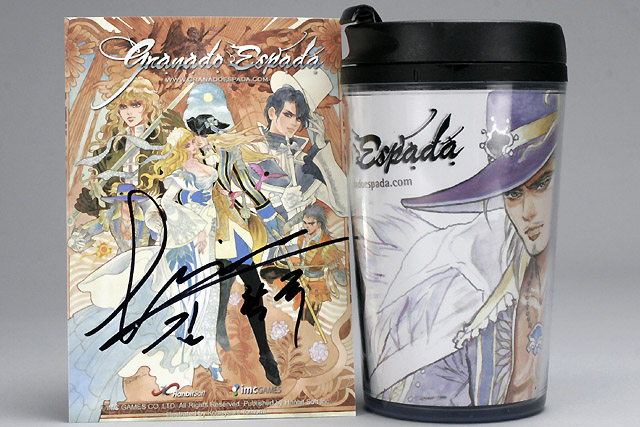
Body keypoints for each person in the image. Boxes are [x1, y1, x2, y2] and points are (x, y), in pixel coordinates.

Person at [375, 90, 560, 406]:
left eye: (541, 184)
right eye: (513, 194)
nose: (528, 213)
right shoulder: (487, 301)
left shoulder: (511, 283)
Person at [251, 68, 348, 224]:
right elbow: (240, 213)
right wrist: (283, 206)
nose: (293, 123)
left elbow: (345, 207)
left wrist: (321, 147)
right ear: (272, 113)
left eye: (298, 118)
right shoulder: (251, 153)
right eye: (288, 114)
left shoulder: (304, 163)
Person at [276, 204, 346, 325]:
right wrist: (289, 225)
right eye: (305, 223)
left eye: (311, 224)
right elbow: (302, 217)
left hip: (315, 286)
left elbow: (343, 281)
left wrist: (334, 267)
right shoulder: (303, 234)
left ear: (319, 224)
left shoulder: (327, 246)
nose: (307, 226)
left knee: (306, 319)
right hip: (301, 276)